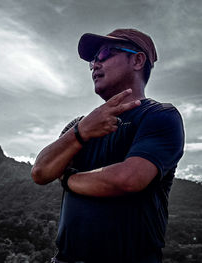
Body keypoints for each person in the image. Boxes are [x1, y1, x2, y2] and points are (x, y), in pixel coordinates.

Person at [31, 28, 185, 263]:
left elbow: (128, 179)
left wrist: (68, 179)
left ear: (137, 59)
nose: (94, 65)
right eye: (92, 60)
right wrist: (81, 131)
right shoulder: (79, 125)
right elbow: (41, 172)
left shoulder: (160, 116)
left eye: (103, 54)